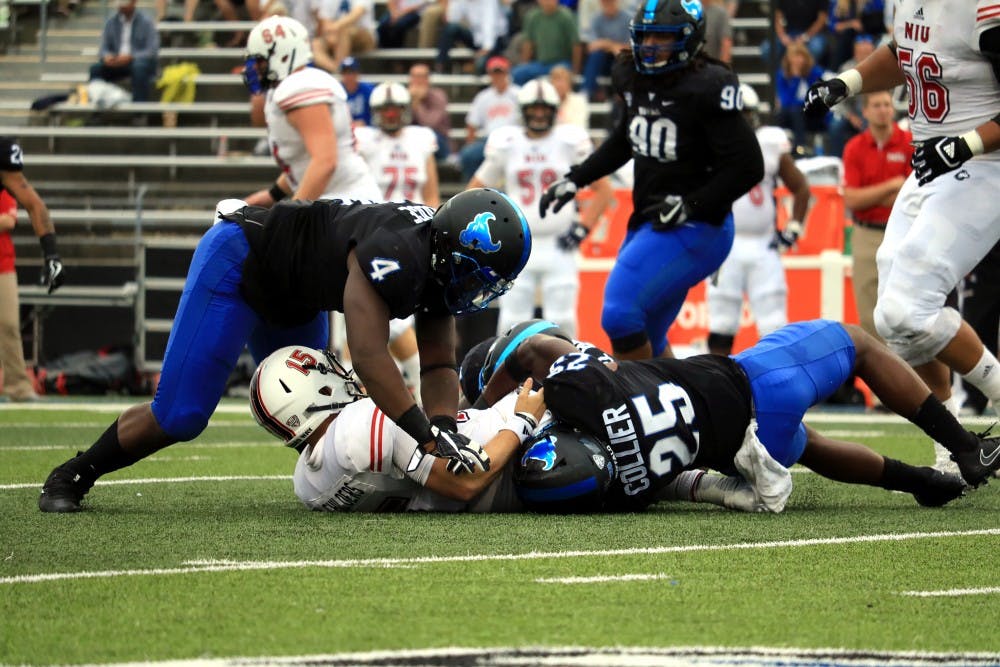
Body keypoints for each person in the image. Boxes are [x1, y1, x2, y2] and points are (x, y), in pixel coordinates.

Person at [36, 189, 533, 513]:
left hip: (298, 293)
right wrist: (425, 435)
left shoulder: (437, 259)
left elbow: (441, 363)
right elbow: (369, 355)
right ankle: (75, 472)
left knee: (331, 417)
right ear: (448, 248)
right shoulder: (398, 251)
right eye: (473, 274)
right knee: (181, 415)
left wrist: (446, 427)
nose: (474, 290)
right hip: (242, 261)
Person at [484, 319, 1000, 514]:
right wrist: (480, 408)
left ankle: (922, 481)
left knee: (809, 445)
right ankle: (963, 447)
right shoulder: (578, 383)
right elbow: (535, 347)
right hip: (754, 384)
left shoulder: (617, 489)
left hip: (743, 450)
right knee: (859, 343)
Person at [803, 0, 1000, 446]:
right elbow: (904, 51)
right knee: (898, 326)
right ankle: (954, 447)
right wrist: (845, 83)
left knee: (906, 310)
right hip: (933, 164)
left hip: (985, 166)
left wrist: (964, 144)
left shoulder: (985, 11)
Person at [254, 342, 761, 512]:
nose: (345, 376)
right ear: (314, 392)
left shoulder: (309, 481)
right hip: (518, 454)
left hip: (505, 454)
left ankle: (687, 476)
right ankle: (673, 414)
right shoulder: (359, 425)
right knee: (538, 350)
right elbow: (465, 478)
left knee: (501, 360)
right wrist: (520, 420)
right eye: (330, 375)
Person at [539, 0, 764, 361]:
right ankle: (688, 412)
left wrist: (691, 204)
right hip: (651, 217)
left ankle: (642, 410)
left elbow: (749, 167)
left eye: (663, 37)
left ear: (690, 40)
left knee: (620, 313)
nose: (650, 46)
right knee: (652, 337)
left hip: (699, 225)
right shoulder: (632, 74)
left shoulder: (707, 86)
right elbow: (628, 137)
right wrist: (576, 178)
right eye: (645, 36)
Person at [468, 78, 615, 337]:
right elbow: (474, 191)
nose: (538, 114)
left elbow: (604, 190)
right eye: (533, 109)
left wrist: (583, 228)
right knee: (511, 321)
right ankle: (508, 376)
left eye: (544, 109)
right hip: (518, 243)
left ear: (554, 110)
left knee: (563, 320)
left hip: (559, 243)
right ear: (522, 111)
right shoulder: (507, 143)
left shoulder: (569, 141)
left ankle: (566, 373)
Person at [706, 84, 811, 356]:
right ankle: (716, 386)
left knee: (774, 324)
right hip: (724, 245)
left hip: (763, 245)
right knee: (721, 323)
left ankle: (777, 383)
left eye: (746, 114)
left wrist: (794, 228)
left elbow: (801, 187)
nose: (742, 120)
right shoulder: (710, 142)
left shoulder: (769, 142)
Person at [240, 16, 381, 207]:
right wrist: (273, 195)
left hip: (346, 204)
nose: (255, 68)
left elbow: (325, 162)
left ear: (283, 56)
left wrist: (290, 216)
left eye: (261, 61)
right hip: (336, 202)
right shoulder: (285, 87)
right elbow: (303, 161)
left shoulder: (298, 86)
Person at [840, 90, 911, 342]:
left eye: (887, 104)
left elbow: (914, 195)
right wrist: (893, 184)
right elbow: (852, 199)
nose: (883, 109)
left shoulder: (909, 142)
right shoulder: (855, 148)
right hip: (867, 232)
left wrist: (872, 195)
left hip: (904, 231)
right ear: (865, 111)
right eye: (876, 105)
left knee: (907, 308)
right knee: (869, 312)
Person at [0, 137, 64, 400]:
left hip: (2, 261)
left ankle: (17, 385)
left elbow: (34, 204)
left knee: (8, 323)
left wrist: (51, 254)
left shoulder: (4, 158)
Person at [355, 82, 440, 206]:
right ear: (376, 111)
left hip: (417, 217)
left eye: (395, 109)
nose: (390, 115)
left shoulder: (421, 138)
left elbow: (431, 196)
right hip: (378, 217)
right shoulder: (364, 140)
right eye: (385, 109)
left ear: (405, 109)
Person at [458, 55, 520, 183]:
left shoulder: (518, 94)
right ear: (490, 75)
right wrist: (471, 144)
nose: (497, 76)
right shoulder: (483, 97)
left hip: (514, 140)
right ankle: (470, 194)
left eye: (500, 72)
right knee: (468, 155)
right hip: (489, 141)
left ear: (507, 73)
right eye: (494, 73)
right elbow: (471, 124)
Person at [89, 0, 160, 104]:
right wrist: (107, 56)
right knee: (95, 69)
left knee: (139, 67)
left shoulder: (146, 22)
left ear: (134, 2)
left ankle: (139, 111)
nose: (122, 7)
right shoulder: (111, 22)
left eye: (125, 4)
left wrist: (131, 57)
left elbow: (152, 49)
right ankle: (98, 106)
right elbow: (103, 48)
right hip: (117, 61)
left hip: (138, 62)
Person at [774, 41, 829, 153]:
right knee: (781, 113)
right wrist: (796, 78)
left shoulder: (815, 73)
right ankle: (780, 147)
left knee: (795, 110)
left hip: (813, 114)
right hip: (791, 114)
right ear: (788, 59)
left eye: (801, 56)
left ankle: (800, 147)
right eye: (795, 56)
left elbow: (815, 99)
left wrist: (799, 103)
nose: (798, 60)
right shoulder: (782, 75)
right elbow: (785, 101)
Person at [511, 0, 582, 86]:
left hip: (562, 63)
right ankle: (524, 98)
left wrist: (575, 70)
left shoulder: (566, 16)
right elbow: (528, 44)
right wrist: (525, 64)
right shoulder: (532, 17)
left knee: (559, 74)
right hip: (541, 64)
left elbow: (576, 45)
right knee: (517, 73)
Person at [434, 0, 509, 73]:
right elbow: (452, 19)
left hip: (495, 41)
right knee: (451, 28)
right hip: (476, 38)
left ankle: (472, 70)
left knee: (480, 65)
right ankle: (440, 64)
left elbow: (489, 24)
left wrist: (487, 48)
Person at [581, 0, 631, 101]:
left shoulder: (627, 18)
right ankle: (586, 93)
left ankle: (622, 93)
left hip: (619, 61)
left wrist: (606, 44)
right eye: (604, 2)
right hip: (602, 62)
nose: (607, 4)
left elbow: (630, 47)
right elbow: (591, 46)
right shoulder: (596, 19)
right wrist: (612, 46)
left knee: (622, 56)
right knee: (596, 55)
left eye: (610, 1)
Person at [312, 0, 376, 73]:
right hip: (335, 34)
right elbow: (324, 20)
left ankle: (342, 72)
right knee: (316, 44)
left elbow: (355, 15)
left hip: (364, 35)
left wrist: (335, 29)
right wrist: (331, 34)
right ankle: (338, 70)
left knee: (343, 32)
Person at [408, 62, 452, 160]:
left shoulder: (439, 95)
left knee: (424, 138)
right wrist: (411, 100)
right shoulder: (403, 97)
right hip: (410, 139)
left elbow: (429, 124)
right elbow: (403, 123)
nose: (417, 80)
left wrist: (417, 102)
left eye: (421, 76)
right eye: (414, 76)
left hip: (438, 141)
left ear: (428, 79)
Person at [339, 56, 377, 127]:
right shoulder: (337, 92)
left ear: (357, 74)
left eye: (351, 72)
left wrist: (366, 122)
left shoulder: (368, 90)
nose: (349, 77)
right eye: (346, 73)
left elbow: (375, 113)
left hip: (366, 129)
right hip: (344, 130)